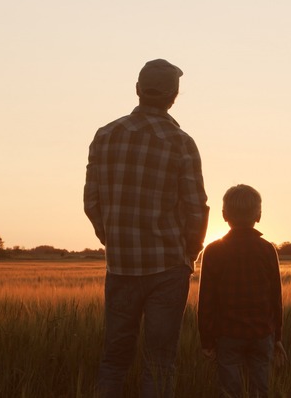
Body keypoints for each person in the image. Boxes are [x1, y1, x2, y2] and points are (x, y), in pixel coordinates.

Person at [84, 58, 209, 397]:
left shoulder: (105, 135)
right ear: (174, 95)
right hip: (168, 267)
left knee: (114, 359)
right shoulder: (181, 142)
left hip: (121, 267)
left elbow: (91, 202)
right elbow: (196, 207)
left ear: (138, 90)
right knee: (159, 362)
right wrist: (190, 252)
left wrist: (112, 239)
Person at [197, 184, 287, 398]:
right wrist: (277, 337)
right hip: (262, 334)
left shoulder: (213, 251)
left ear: (224, 215)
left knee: (230, 391)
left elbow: (206, 301)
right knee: (260, 390)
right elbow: (276, 298)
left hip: (227, 335)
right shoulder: (267, 250)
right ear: (259, 215)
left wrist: (206, 341)